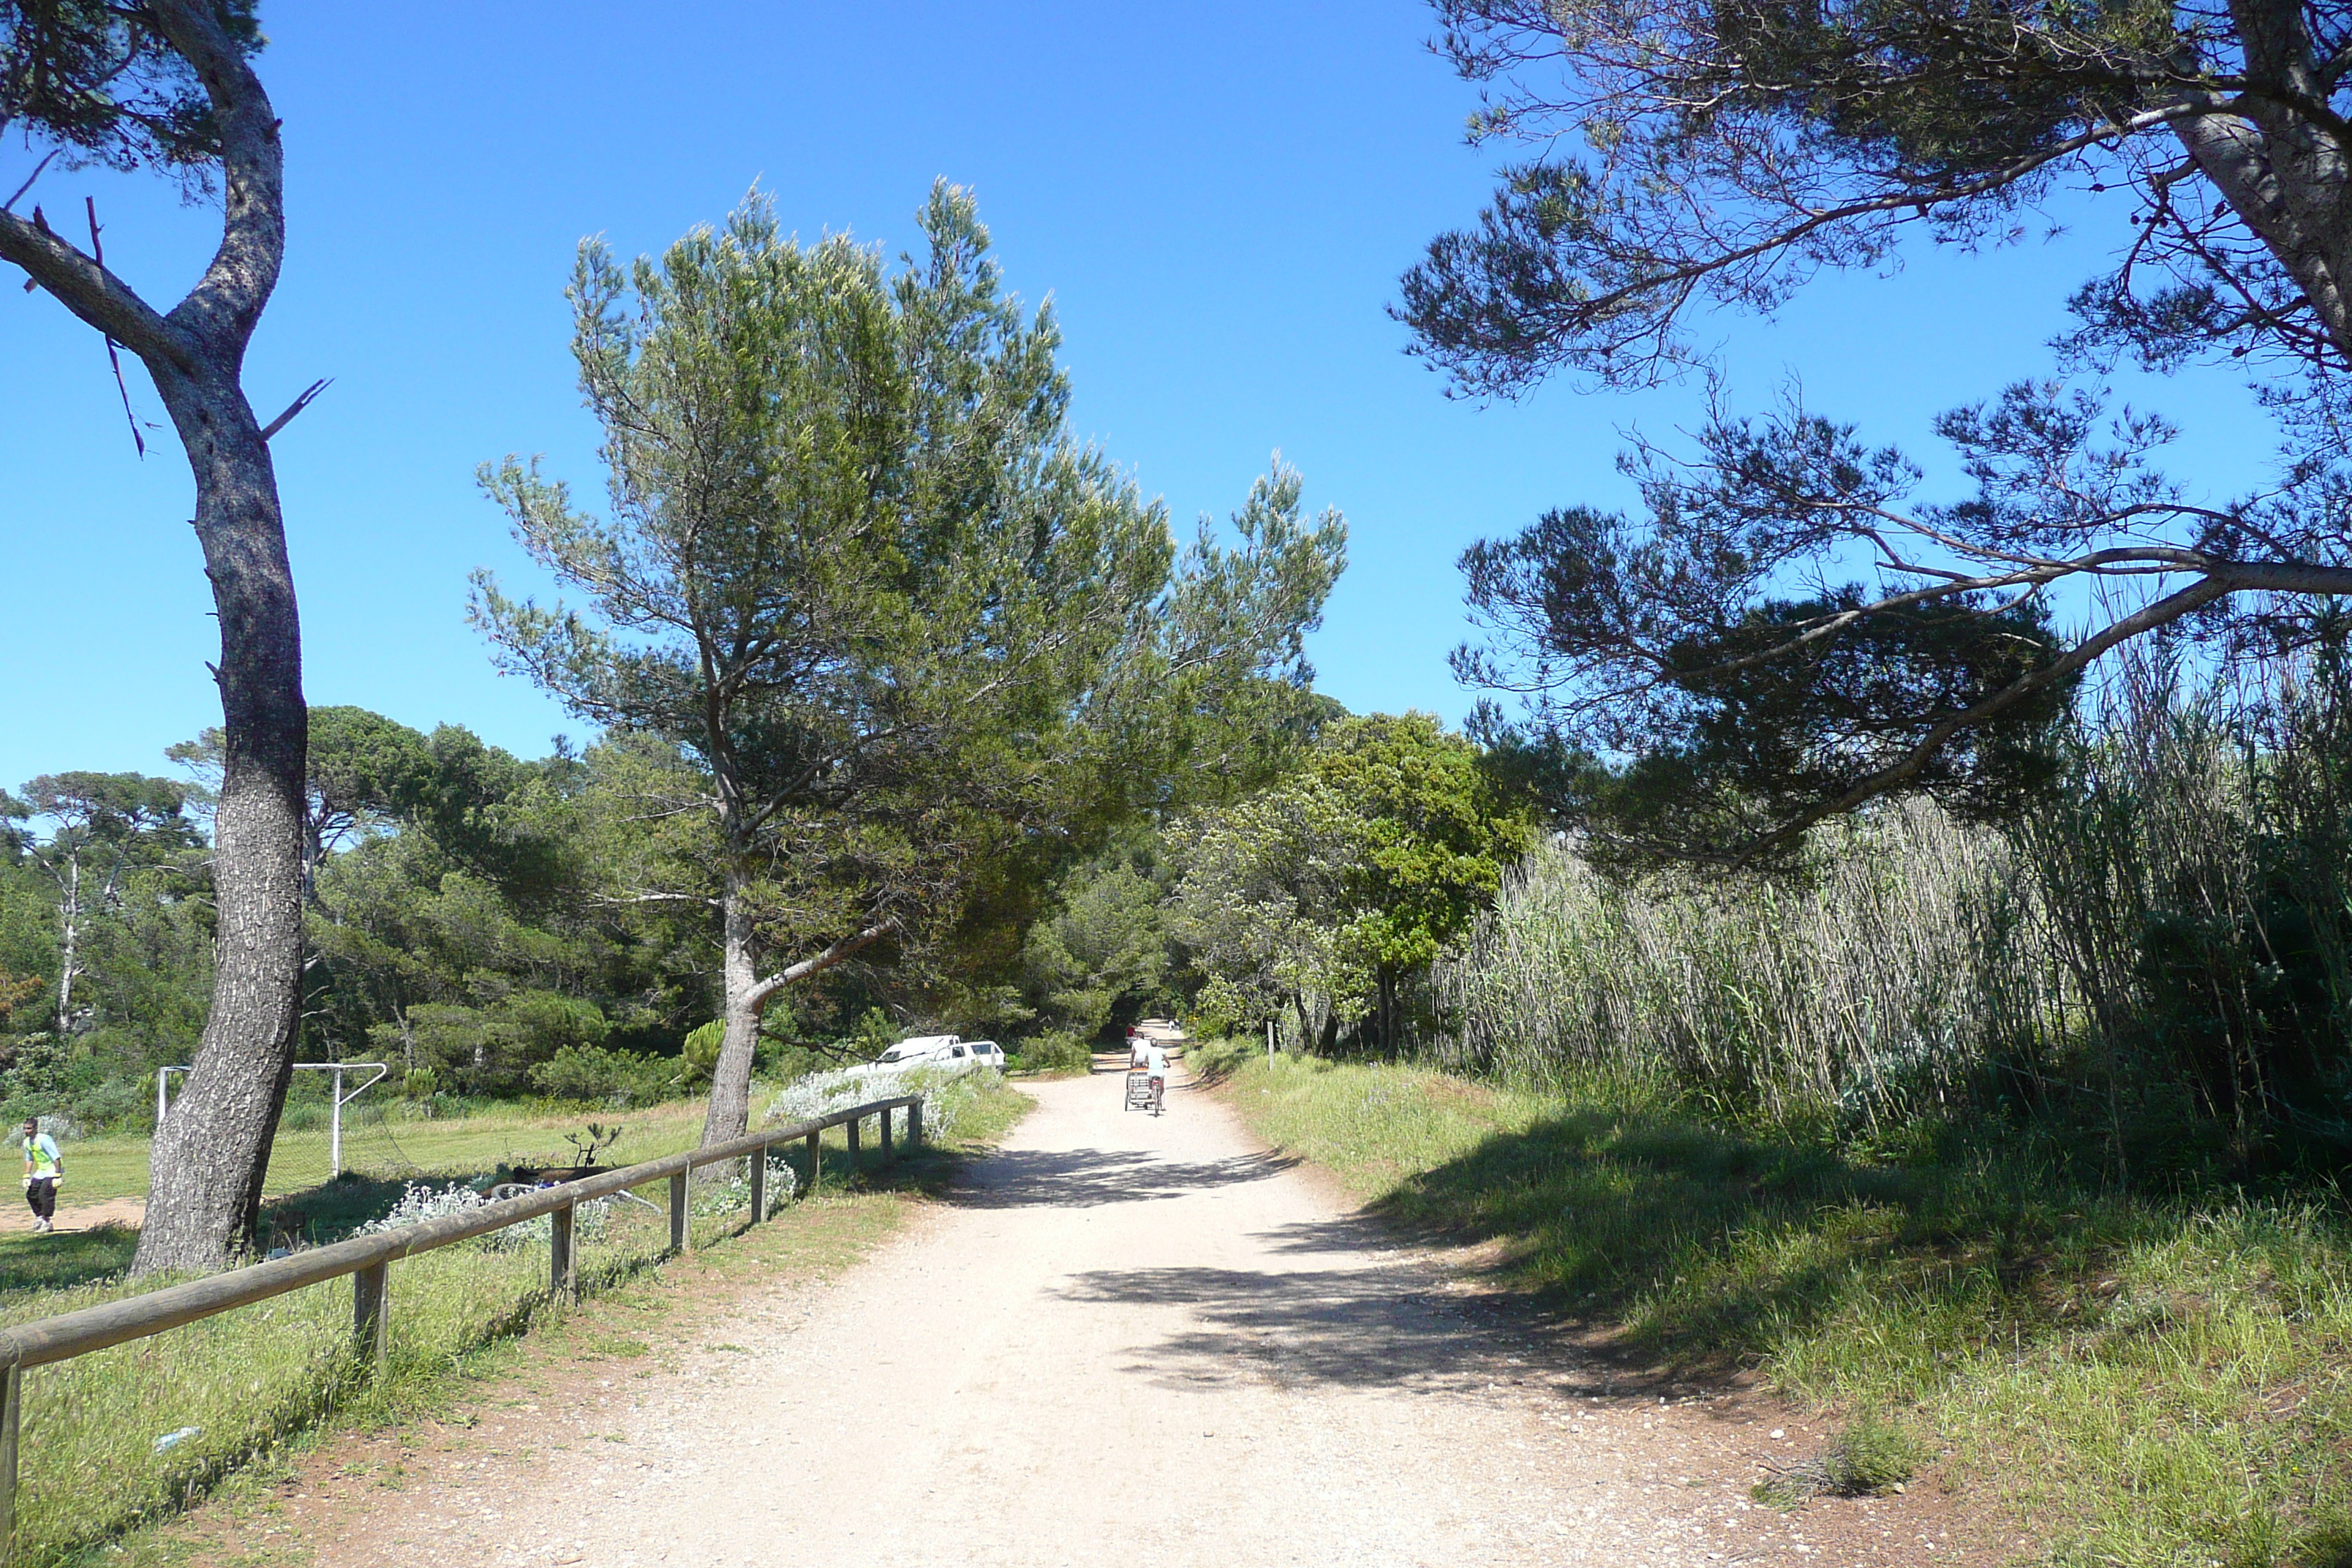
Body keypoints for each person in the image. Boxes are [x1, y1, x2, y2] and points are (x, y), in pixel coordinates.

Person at [20, 1117, 61, 1234]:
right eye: (25, 1128)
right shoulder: (27, 1142)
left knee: (45, 1194)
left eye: (29, 1128)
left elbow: (56, 1157)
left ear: (35, 1128)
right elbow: (29, 1159)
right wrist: (26, 1176)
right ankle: (39, 1217)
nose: (26, 1131)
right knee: (31, 1194)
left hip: (52, 1170)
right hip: (41, 1171)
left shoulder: (44, 1140)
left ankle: (47, 1222)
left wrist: (57, 1175)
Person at [1140, 1039, 1169, 1116]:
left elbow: (1146, 1060)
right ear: (1157, 1044)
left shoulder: (1148, 1051)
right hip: (1160, 1071)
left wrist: (1144, 1064)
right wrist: (1168, 1064)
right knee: (1162, 1088)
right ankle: (1163, 1106)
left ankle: (1150, 1091)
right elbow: (1166, 1059)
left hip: (1152, 1071)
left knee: (1150, 1079)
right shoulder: (1161, 1050)